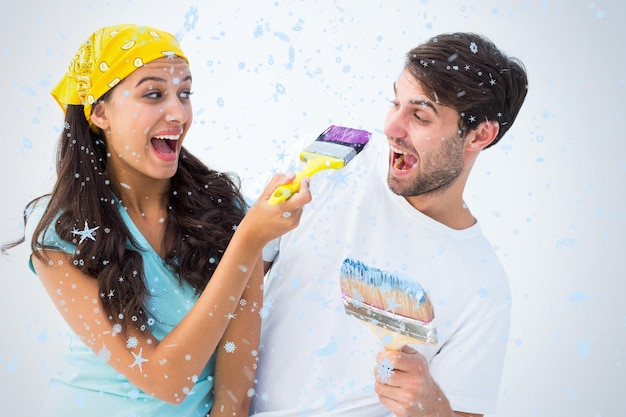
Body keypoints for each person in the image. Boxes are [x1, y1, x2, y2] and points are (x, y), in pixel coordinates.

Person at [1, 24, 311, 417]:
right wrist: (247, 242)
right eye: (153, 94)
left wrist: (246, 236)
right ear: (100, 112)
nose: (179, 113)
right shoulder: (61, 235)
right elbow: (167, 380)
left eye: (185, 93)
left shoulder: (225, 210)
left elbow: (235, 385)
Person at [250, 32, 528, 417]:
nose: (392, 127)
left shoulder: (483, 287)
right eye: (395, 102)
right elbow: (238, 278)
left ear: (479, 135)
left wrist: (431, 405)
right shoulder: (335, 158)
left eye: (419, 115)